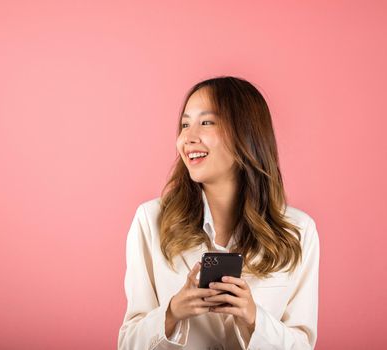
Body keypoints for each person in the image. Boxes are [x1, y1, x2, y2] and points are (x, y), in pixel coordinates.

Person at [117, 76, 319, 350]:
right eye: (185, 124)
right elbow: (128, 344)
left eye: (206, 122)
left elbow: (302, 345)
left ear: (246, 133)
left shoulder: (298, 231)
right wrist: (173, 312)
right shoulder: (150, 220)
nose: (187, 138)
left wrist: (253, 318)